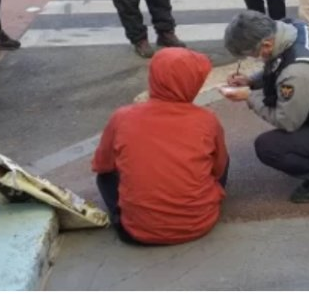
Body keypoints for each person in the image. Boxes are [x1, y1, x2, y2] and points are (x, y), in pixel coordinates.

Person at [92, 48, 229, 245]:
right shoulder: (207, 120)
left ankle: (127, 216)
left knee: (104, 177)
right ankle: (198, 204)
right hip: (200, 224)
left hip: (136, 232)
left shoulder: (122, 117)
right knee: (219, 155)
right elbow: (218, 169)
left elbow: (102, 165)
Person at [221, 11, 309, 203]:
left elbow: (287, 121)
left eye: (252, 55)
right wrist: (251, 81)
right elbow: (277, 65)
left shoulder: (297, 73)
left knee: (267, 147)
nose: (255, 59)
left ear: (266, 44)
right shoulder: (292, 28)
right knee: (287, 108)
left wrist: (249, 97)